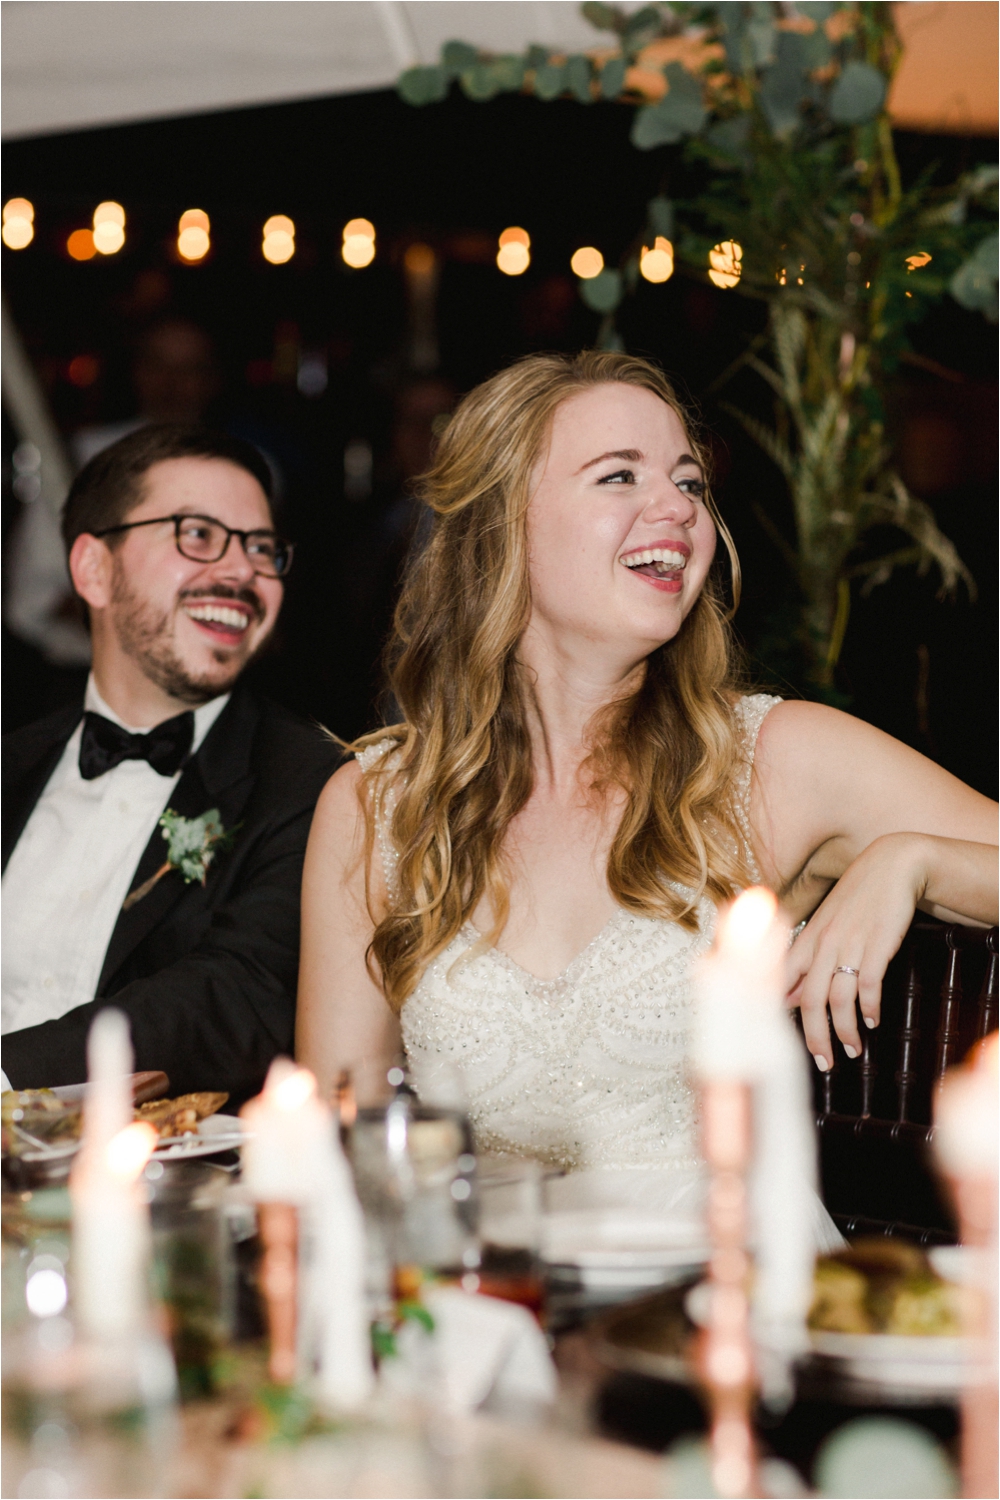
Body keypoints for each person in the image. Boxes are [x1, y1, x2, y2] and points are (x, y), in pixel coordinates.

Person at [296, 351, 996, 1210]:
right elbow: (342, 1141)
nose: (677, 508)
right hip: (493, 1300)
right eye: (618, 476)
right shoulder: (378, 808)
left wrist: (915, 860)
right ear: (502, 523)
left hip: (718, 1307)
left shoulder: (773, 759)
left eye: (690, 483)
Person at [2, 424, 340, 1105]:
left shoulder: (315, 782)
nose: (241, 571)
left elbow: (237, 998)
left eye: (261, 547)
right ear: (94, 570)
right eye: (197, 535)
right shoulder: (13, 764)